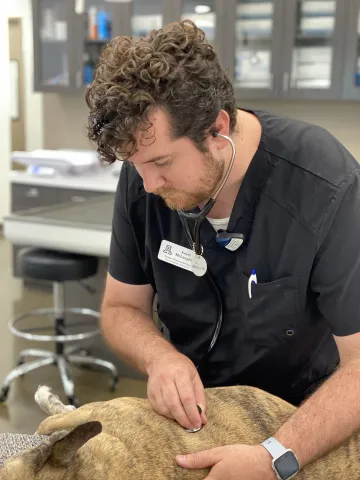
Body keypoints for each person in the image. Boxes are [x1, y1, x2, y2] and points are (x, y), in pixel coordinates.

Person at [85, 20, 360, 480]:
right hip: (194, 425)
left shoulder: (325, 186)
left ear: (218, 129)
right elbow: (120, 307)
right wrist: (160, 357)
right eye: (136, 167)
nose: (148, 186)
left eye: (161, 163)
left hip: (302, 424)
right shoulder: (142, 180)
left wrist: (274, 456)